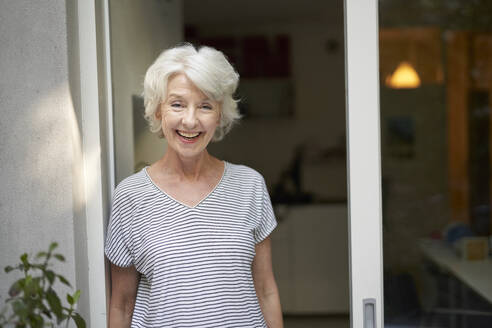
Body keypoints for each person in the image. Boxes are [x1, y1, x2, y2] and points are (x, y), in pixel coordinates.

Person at [105, 43, 283, 327]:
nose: (190, 121)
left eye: (205, 106)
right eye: (177, 104)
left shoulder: (250, 186)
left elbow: (266, 290)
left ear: (220, 114)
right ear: (158, 111)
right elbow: (122, 305)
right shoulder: (130, 196)